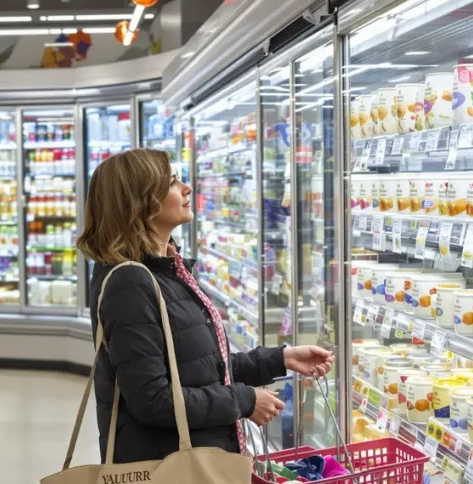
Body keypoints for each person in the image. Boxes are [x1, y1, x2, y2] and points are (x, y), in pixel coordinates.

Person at [77, 148, 334, 463]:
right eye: (172, 182)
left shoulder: (166, 271)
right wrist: (244, 400)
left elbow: (200, 368)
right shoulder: (129, 284)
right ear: (140, 203)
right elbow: (152, 400)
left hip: (194, 456)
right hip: (167, 467)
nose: (186, 188)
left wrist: (279, 360)